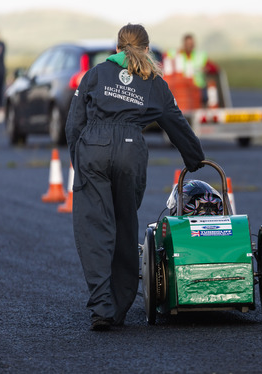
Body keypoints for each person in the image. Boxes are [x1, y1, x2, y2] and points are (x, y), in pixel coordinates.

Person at [65, 23, 205, 331]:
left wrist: (80, 159)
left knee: (94, 229)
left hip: (94, 149)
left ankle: (102, 307)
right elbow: (176, 122)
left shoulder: (96, 73)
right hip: (131, 150)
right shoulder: (153, 81)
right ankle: (119, 308)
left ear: (117, 48)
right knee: (125, 226)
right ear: (146, 49)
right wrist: (195, 159)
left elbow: (74, 123)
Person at [165, 33, 218, 105]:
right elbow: (165, 57)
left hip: (198, 87)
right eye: (188, 43)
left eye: (191, 43)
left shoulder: (200, 55)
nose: (190, 45)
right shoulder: (177, 54)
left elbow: (214, 68)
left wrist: (206, 69)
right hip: (181, 87)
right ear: (184, 44)